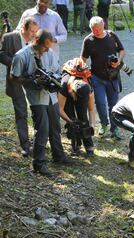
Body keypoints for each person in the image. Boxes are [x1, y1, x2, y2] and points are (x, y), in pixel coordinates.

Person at [11, 29, 69, 176]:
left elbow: (57, 70)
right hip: (36, 98)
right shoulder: (21, 56)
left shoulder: (49, 52)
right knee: (42, 129)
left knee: (55, 126)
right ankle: (39, 163)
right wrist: (32, 80)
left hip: (51, 95)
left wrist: (54, 79)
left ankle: (58, 156)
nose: (47, 50)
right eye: (45, 47)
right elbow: (14, 77)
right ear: (36, 41)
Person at [81, 16, 125, 138]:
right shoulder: (88, 40)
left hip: (113, 77)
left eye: (99, 29)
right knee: (100, 103)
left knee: (114, 104)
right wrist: (84, 73)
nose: (97, 32)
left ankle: (114, 128)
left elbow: (122, 50)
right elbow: (83, 59)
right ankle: (104, 124)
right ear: (91, 29)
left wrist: (119, 60)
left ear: (103, 26)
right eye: (94, 30)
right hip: (97, 77)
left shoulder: (112, 36)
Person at [0, 17, 39, 157]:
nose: (34, 34)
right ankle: (25, 146)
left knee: (38, 112)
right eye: (31, 31)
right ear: (23, 28)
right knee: (21, 113)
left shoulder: (37, 38)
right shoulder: (9, 37)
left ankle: (37, 143)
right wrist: (16, 63)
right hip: (16, 82)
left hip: (33, 82)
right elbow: (1, 55)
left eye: (36, 31)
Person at [58, 58, 96, 156]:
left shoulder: (89, 87)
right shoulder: (64, 86)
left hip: (80, 89)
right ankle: (76, 143)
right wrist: (70, 122)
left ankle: (89, 145)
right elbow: (60, 109)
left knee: (83, 117)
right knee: (72, 118)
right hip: (68, 93)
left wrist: (91, 126)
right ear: (73, 92)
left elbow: (91, 110)